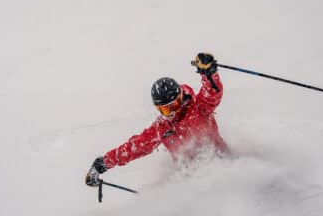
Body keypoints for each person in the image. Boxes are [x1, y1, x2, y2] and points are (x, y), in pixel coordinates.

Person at [85, 52, 230, 187]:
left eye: (174, 105)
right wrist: (103, 164)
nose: (171, 112)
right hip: (191, 179)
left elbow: (212, 94)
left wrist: (209, 73)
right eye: (165, 109)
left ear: (181, 97)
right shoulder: (162, 128)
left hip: (220, 165)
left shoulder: (198, 108)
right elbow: (135, 147)